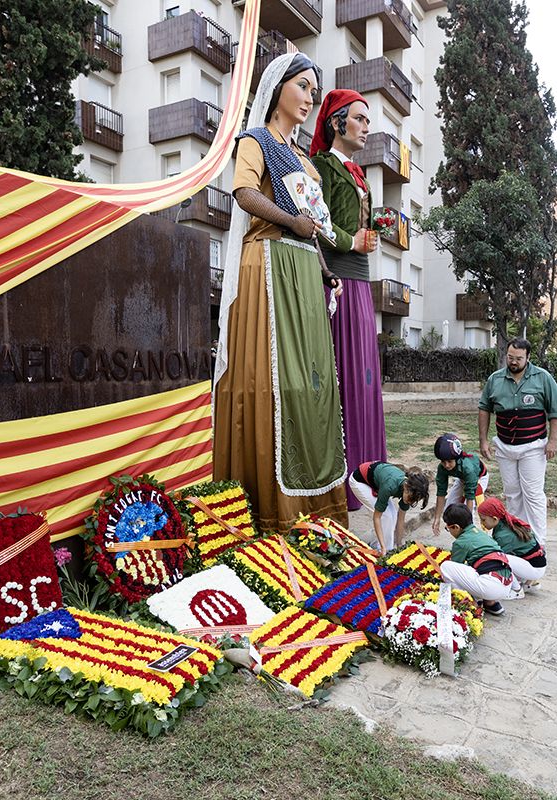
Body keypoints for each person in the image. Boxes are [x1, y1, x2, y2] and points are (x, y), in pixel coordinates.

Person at [213, 53, 348, 531]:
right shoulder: (255, 142)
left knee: (310, 388)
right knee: (271, 383)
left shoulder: (307, 164)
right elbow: (244, 194)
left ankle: (318, 506)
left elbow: (315, 230)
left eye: (315, 90)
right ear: (278, 90)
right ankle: (273, 509)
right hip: (268, 265)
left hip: (304, 271)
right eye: (304, 87)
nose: (311, 98)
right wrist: (293, 221)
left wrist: (326, 269)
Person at [308, 90, 386, 513]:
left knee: (364, 376)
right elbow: (315, 221)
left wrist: (373, 234)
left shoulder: (360, 174)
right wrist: (350, 240)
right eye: (359, 118)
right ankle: (341, 474)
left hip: (360, 284)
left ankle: (367, 469)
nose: (366, 126)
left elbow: (360, 228)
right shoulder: (319, 166)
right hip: (334, 281)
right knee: (341, 375)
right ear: (337, 123)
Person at [477, 338, 557, 545]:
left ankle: (538, 543)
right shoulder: (495, 379)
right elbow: (484, 409)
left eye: (518, 358)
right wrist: (483, 440)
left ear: (528, 357)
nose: (513, 362)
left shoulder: (543, 378)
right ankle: (519, 538)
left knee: (533, 494)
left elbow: (556, 412)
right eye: (510, 357)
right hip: (505, 447)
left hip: (533, 446)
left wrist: (553, 440)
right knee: (512, 494)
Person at [439, 503, 521, 616]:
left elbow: (454, 567)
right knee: (477, 567)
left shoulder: (461, 542)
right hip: (507, 584)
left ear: (456, 527)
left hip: (492, 586)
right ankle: (491, 604)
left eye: (448, 528)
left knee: (446, 567)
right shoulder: (482, 535)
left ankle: (471, 604)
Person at [348, 461, 431, 554]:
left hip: (376, 481)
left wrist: (399, 545)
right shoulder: (390, 486)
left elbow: (401, 518)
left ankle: (380, 546)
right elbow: (377, 517)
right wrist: (383, 547)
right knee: (386, 516)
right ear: (406, 487)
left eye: (414, 500)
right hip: (359, 481)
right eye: (410, 498)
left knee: (393, 515)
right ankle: (383, 550)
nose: (410, 502)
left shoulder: (411, 492)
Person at [477, 495, 546, 588]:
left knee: (498, 559)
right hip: (536, 564)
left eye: (483, 519)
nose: (482, 523)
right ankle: (529, 583)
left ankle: (516, 589)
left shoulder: (503, 536)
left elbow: (493, 555)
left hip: (535, 568)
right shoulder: (507, 523)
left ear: (495, 519)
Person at [430, 433, 489, 534]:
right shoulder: (442, 468)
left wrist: (468, 525)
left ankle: (472, 533)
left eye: (449, 461)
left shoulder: (468, 468)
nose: (446, 465)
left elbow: (470, 496)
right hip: (461, 478)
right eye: (443, 462)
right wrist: (437, 518)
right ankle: (455, 528)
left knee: (466, 509)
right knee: (449, 507)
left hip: (479, 478)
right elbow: (441, 493)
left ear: (457, 458)